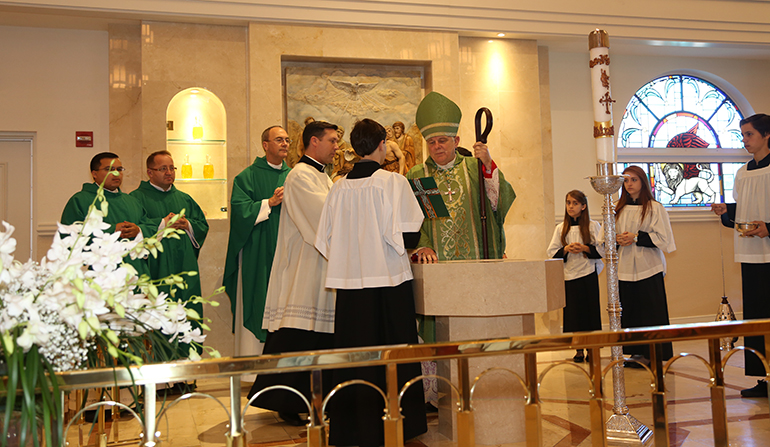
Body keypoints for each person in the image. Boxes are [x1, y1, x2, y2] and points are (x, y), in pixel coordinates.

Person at [315, 118, 427, 446]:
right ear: (381, 145)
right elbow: (410, 234)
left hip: (350, 291)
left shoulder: (337, 188)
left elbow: (324, 241)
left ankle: (353, 429)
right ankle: (400, 426)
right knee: (394, 354)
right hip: (390, 284)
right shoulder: (393, 183)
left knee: (355, 356)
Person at [248, 121, 339, 425]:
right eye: (333, 141)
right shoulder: (300, 176)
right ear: (314, 142)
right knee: (296, 335)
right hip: (305, 267)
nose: (337, 147)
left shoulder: (319, 176)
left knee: (312, 337)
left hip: (319, 265)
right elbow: (322, 219)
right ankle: (285, 400)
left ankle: (311, 398)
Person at [711, 113, 770, 398]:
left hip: (769, 247)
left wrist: (768, 228)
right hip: (751, 253)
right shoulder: (743, 172)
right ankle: (763, 379)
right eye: (742, 135)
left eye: (749, 134)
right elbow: (745, 206)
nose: (744, 140)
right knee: (756, 316)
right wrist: (728, 211)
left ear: (766, 135)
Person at [223, 126, 291, 358]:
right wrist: (268, 203)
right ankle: (253, 368)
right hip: (258, 253)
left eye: (287, 140)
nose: (285, 144)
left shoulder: (294, 176)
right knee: (257, 299)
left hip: (287, 253)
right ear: (265, 145)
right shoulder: (246, 177)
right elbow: (240, 212)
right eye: (279, 140)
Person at [130, 151, 209, 335]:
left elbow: (202, 225)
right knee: (160, 313)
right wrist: (162, 224)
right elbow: (136, 229)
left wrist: (187, 224)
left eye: (172, 168)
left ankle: (187, 354)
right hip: (156, 266)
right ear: (150, 172)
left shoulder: (184, 198)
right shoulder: (136, 198)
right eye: (163, 169)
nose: (169, 173)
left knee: (187, 310)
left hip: (184, 265)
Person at [612, 165, 676, 368]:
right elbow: (603, 237)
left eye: (634, 180)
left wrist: (637, 237)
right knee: (630, 310)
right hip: (625, 266)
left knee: (651, 310)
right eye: (626, 180)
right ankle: (636, 351)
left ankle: (654, 352)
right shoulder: (616, 207)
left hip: (649, 266)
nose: (629, 184)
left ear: (643, 182)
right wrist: (617, 239)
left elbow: (664, 239)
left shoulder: (655, 207)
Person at [61, 152, 152, 277]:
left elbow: (148, 226)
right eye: (109, 169)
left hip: (134, 270)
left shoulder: (132, 201)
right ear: (94, 174)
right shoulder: (80, 200)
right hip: (100, 273)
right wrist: (113, 229)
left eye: (119, 169)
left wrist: (138, 231)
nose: (116, 173)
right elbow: (69, 237)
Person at [547, 190, 604, 362]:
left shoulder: (593, 226)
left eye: (575, 203)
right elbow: (551, 252)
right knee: (574, 315)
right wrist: (566, 249)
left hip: (587, 274)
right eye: (568, 203)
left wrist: (585, 248)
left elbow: (601, 250)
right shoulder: (560, 228)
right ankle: (578, 348)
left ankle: (591, 348)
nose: (571, 207)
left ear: (583, 206)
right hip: (569, 276)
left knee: (590, 313)